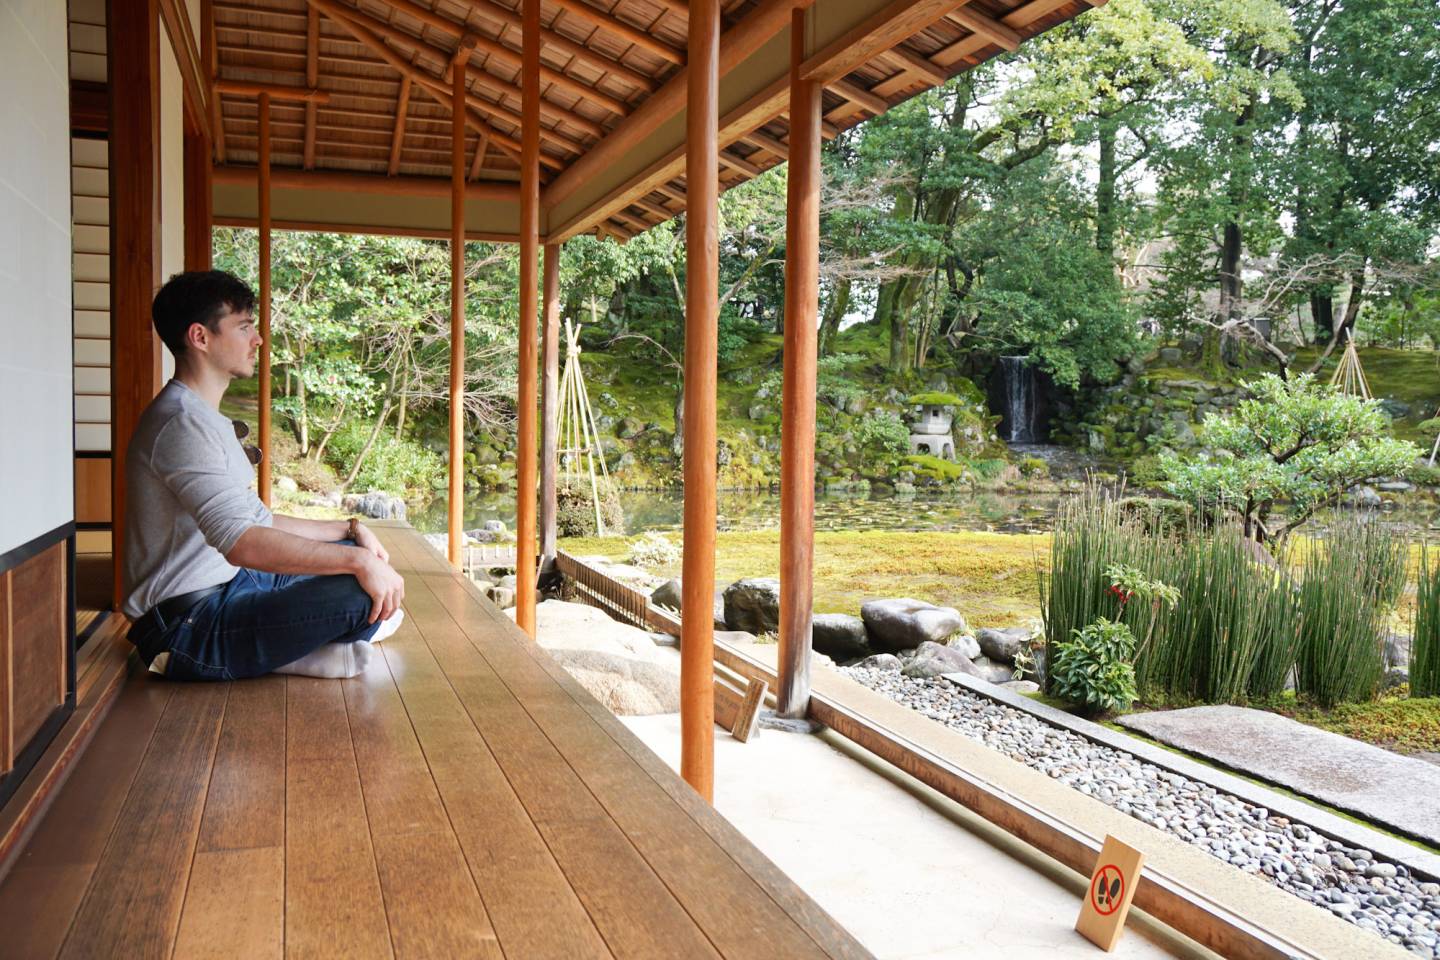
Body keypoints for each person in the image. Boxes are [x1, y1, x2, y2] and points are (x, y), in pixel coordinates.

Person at [122, 270, 406, 681]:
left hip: (228, 585)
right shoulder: (181, 424)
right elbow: (243, 543)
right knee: (360, 590)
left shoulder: (201, 416)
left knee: (365, 567)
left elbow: (257, 520)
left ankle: (298, 649)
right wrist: (357, 562)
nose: (257, 340)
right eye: (244, 328)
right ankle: (292, 653)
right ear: (200, 337)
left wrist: (350, 529)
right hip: (185, 628)